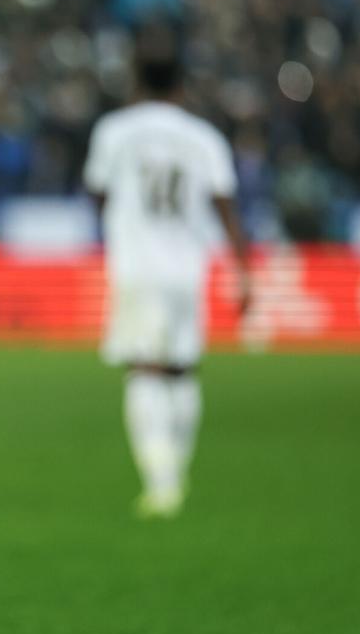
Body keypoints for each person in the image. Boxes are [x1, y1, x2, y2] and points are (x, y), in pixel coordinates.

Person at [83, 36, 251, 518]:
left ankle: (161, 482)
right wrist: (244, 272)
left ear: (136, 80)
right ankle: (176, 469)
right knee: (181, 366)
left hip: (137, 266)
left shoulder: (114, 131)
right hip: (187, 269)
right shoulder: (204, 137)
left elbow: (97, 194)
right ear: (182, 83)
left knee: (144, 367)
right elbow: (226, 207)